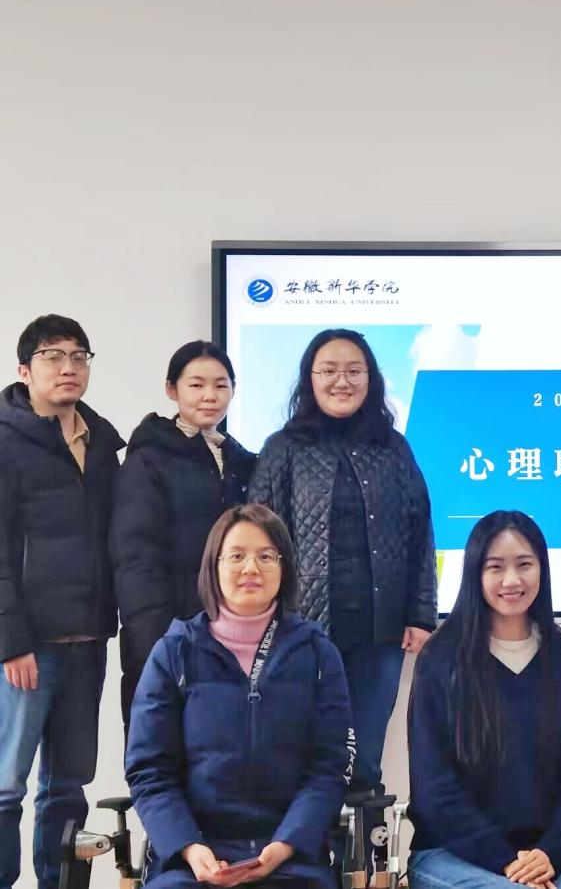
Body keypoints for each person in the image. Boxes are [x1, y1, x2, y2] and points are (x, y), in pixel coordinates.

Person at [250, 328, 436, 802]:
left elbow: (420, 531)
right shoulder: (283, 448)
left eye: (354, 371)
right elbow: (258, 539)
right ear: (309, 378)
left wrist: (420, 615)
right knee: (307, 756)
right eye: (329, 370)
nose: (342, 381)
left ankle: (363, 847)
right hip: (302, 631)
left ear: (371, 379)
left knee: (365, 759)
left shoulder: (394, 448)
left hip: (380, 631)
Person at [126, 503, 354, 889]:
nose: (251, 568)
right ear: (213, 567)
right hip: (193, 860)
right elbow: (149, 770)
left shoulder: (318, 653)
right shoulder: (174, 652)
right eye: (236, 556)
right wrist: (189, 847)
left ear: (284, 567)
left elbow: (331, 766)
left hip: (292, 858)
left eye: (266, 556)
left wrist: (286, 844)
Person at [407, 511, 561, 889]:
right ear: (475, 574)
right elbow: (435, 790)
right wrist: (508, 864)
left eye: (524, 564)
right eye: (495, 567)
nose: (512, 580)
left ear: (542, 570)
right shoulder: (441, 659)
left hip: (544, 856)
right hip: (449, 852)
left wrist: (549, 853)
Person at [0, 314, 123, 889]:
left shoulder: (101, 443)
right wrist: (10, 641)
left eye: (79, 355)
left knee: (69, 785)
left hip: (87, 637)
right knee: (6, 783)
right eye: (53, 355)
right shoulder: (4, 441)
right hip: (27, 646)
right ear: (25, 370)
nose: (68, 366)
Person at [112, 340, 256, 731]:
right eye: (196, 385)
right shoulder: (148, 460)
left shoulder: (243, 462)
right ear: (172, 389)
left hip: (232, 633)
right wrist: (157, 640)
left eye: (221, 385)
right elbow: (135, 557)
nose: (210, 395)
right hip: (165, 633)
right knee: (162, 740)